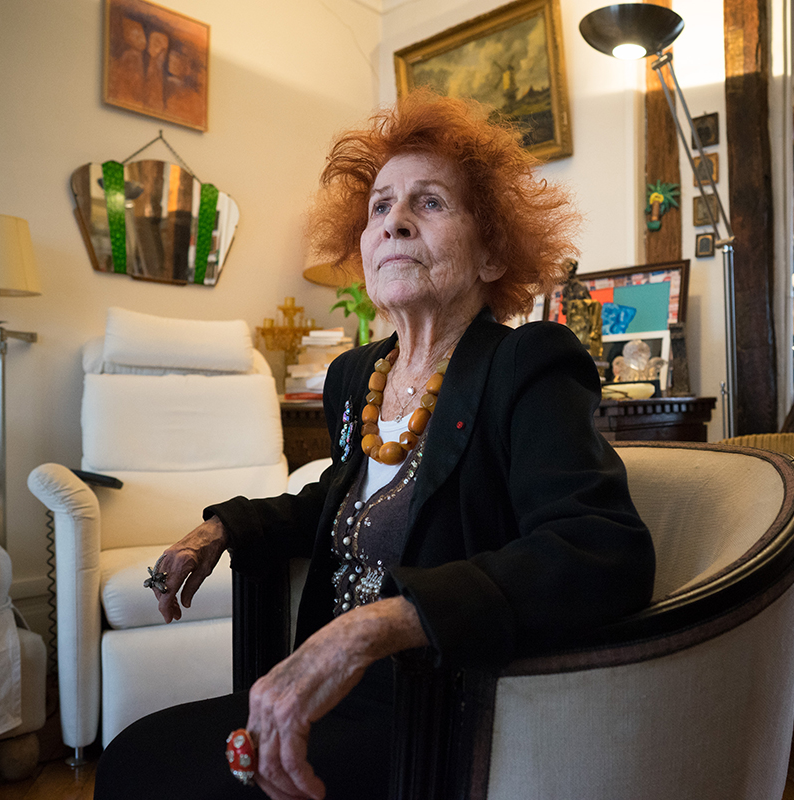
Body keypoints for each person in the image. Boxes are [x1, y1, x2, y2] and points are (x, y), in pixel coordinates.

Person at [95, 91, 655, 800]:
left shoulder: (529, 364)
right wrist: (221, 527)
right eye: (380, 207)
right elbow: (340, 499)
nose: (394, 223)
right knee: (131, 757)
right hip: (338, 692)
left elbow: (602, 549)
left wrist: (378, 625)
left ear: (489, 255)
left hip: (434, 706)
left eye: (429, 203)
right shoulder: (355, 375)